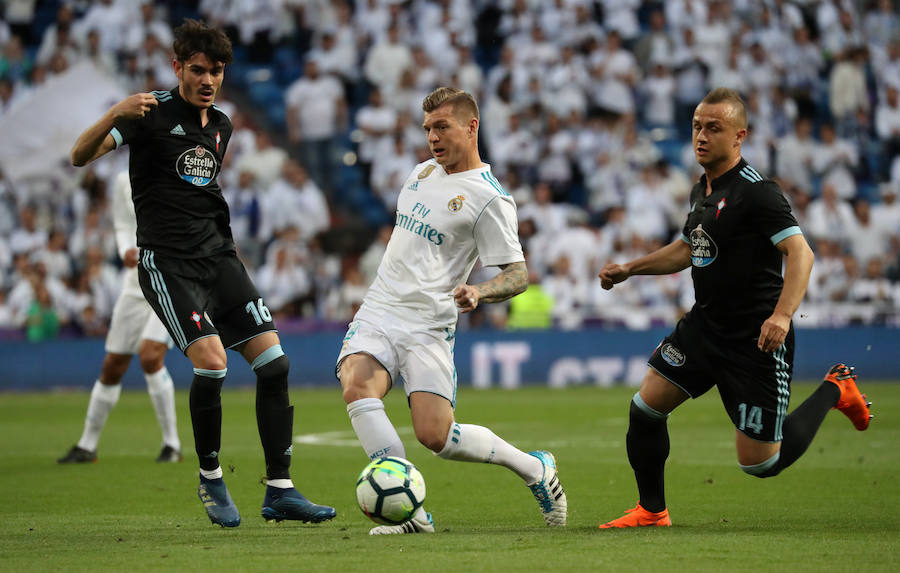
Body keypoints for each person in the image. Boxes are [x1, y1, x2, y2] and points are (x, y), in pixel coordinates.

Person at [69, 19, 335, 528]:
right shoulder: (147, 114)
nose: (208, 80)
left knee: (275, 366)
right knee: (212, 364)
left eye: (216, 71)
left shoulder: (223, 125)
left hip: (220, 260)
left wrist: (225, 250)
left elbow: (200, 193)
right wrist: (115, 112)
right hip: (168, 265)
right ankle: (210, 476)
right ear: (177, 68)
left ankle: (280, 490)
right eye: (197, 70)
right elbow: (79, 155)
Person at [596, 88, 873, 529]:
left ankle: (836, 388)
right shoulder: (701, 191)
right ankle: (652, 510)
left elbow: (801, 254)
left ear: (739, 136)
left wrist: (781, 316)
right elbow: (689, 249)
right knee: (645, 407)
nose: (701, 136)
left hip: (755, 337)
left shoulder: (759, 193)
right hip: (705, 326)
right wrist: (632, 268)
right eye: (696, 127)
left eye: (713, 128)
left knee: (761, 464)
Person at [336, 87, 567, 535]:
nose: (433, 139)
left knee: (436, 437)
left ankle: (534, 468)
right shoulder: (421, 173)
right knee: (357, 386)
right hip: (380, 309)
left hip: (429, 325)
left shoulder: (489, 198)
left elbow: (518, 274)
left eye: (442, 127)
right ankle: (412, 514)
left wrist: (480, 292)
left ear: (471, 126)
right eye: (427, 129)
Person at [58, 172, 182, 465]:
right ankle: (87, 445)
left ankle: (171, 444)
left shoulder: (176, 167)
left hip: (172, 280)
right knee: (113, 364)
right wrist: (125, 247)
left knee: (151, 356)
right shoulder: (124, 178)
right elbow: (123, 223)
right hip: (135, 282)